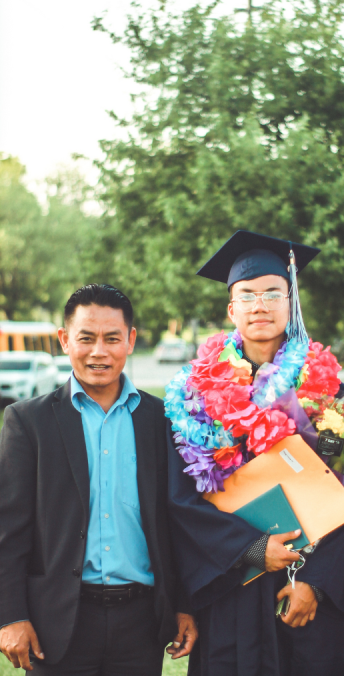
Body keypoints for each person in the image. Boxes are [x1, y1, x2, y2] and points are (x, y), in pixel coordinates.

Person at [165, 231, 344, 675]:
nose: (261, 305)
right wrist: (252, 549)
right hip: (232, 584)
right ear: (231, 308)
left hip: (306, 586)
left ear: (291, 302)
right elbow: (181, 498)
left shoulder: (327, 389)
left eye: (274, 293)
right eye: (248, 295)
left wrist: (314, 581)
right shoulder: (194, 394)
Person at [0, 284, 197, 674]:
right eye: (86, 338)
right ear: (64, 340)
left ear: (131, 340)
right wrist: (10, 615)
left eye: (112, 339)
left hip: (141, 621)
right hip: (56, 619)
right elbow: (9, 529)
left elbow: (178, 522)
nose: (98, 352)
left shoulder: (163, 420)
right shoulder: (28, 422)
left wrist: (185, 604)